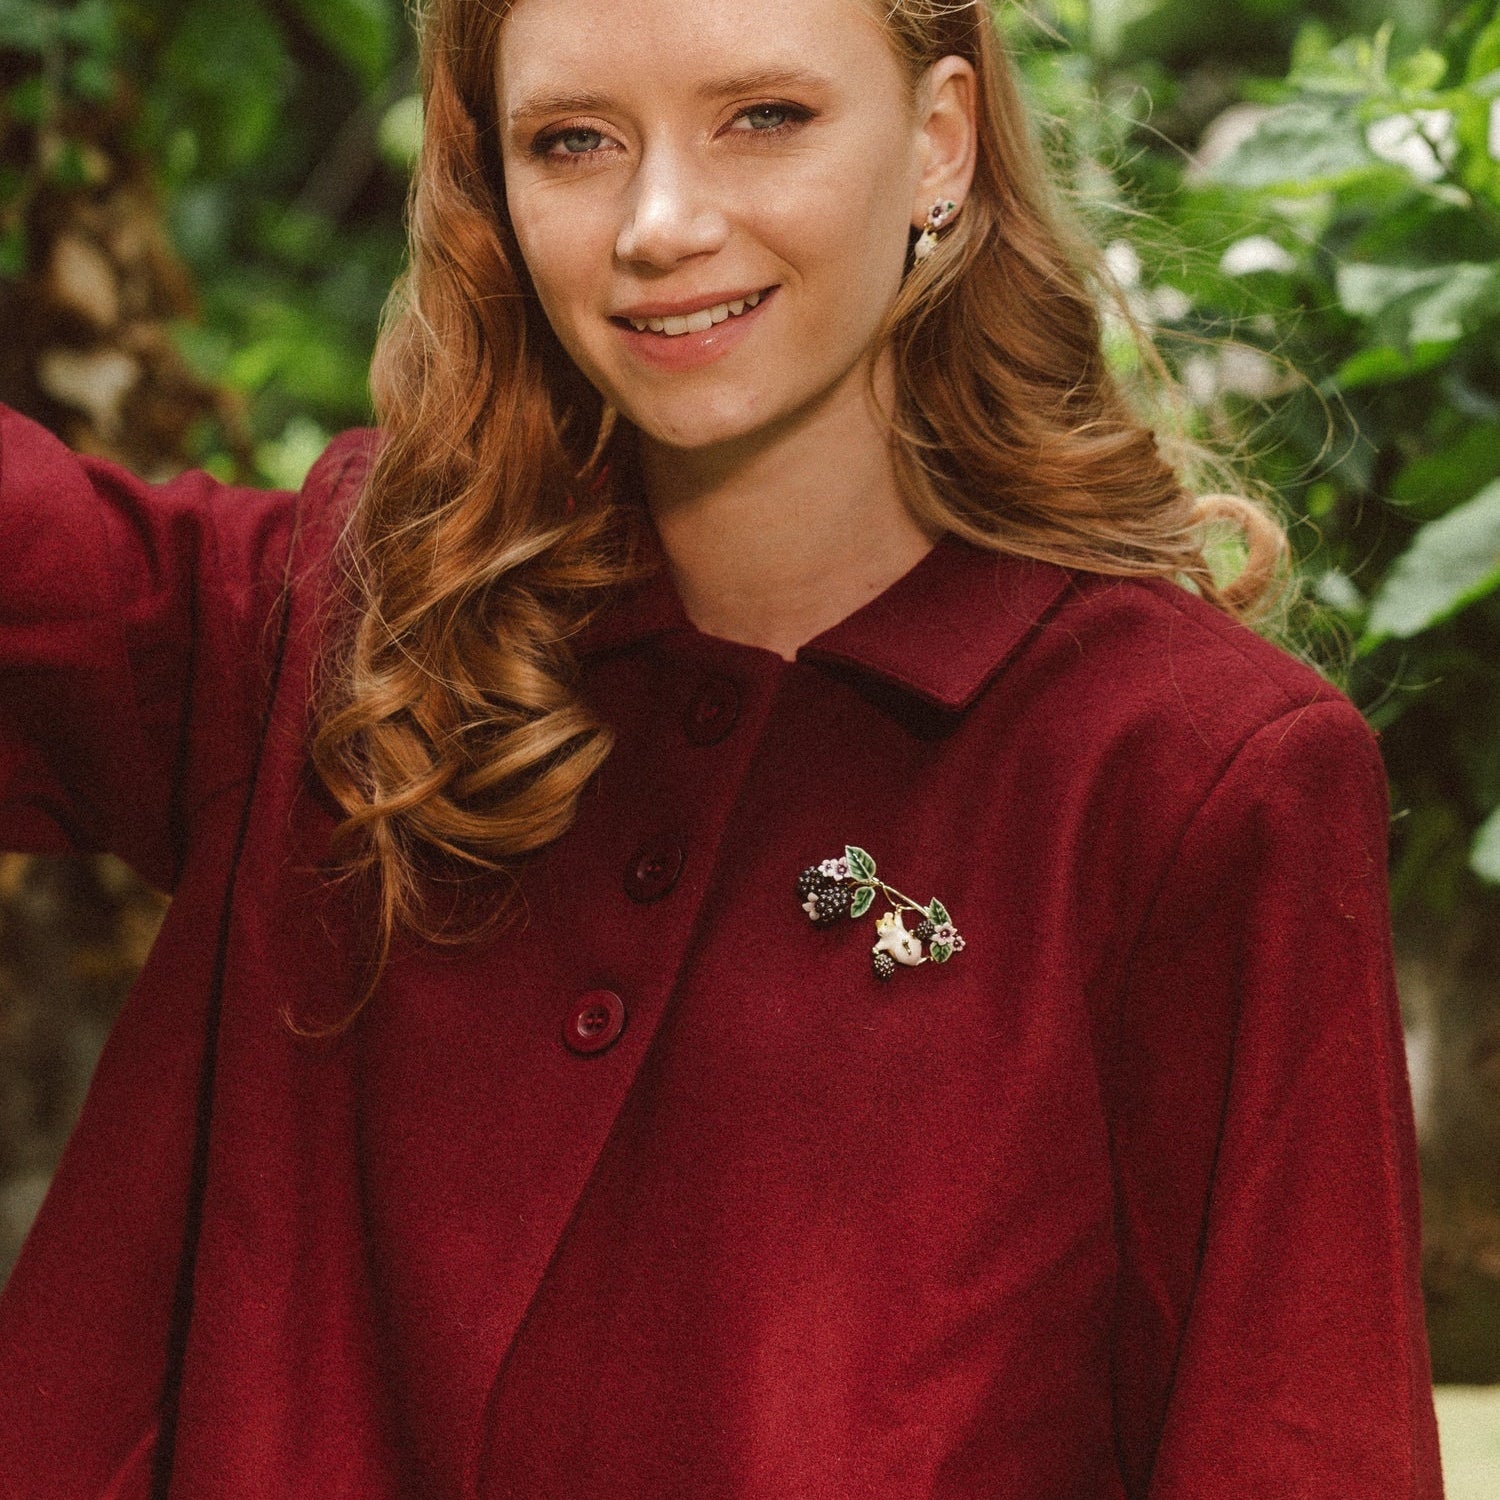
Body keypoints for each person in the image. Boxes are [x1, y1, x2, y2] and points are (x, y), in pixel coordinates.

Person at [0, 0, 1444, 1495]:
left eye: (764, 117)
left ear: (941, 140)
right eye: (574, 141)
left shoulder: (1197, 775)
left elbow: (1297, 1447)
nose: (660, 224)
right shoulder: (347, 632)